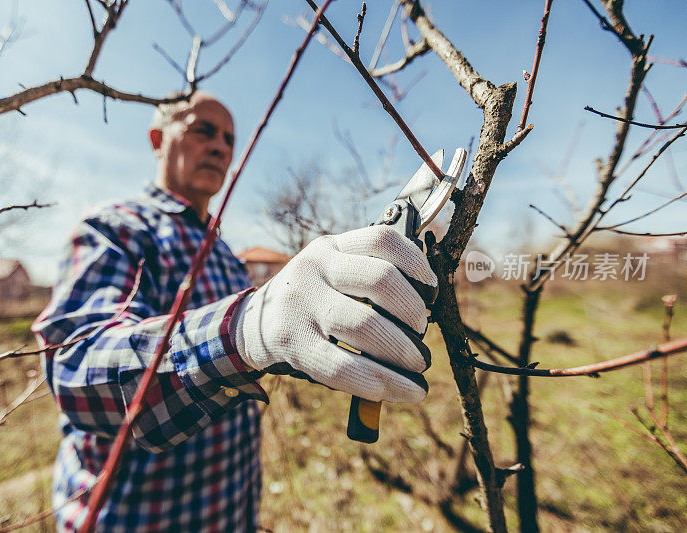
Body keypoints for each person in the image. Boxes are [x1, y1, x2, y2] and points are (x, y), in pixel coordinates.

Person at [33, 91, 437, 532]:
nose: (221, 146)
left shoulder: (225, 255)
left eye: (229, 138)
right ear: (157, 138)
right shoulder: (117, 228)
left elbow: (242, 363)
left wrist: (320, 334)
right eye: (202, 130)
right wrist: (246, 327)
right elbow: (76, 372)